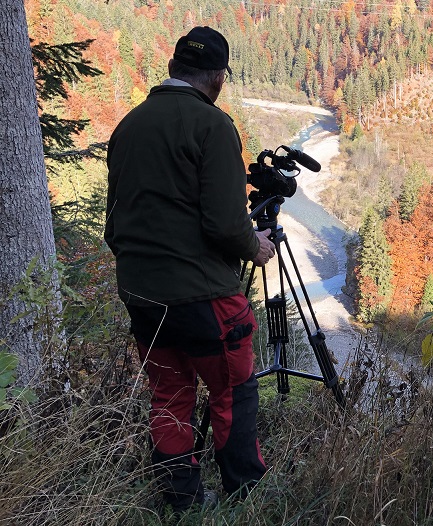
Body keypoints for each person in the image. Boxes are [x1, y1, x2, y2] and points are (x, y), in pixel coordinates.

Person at [104, 26, 275, 512]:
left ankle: (182, 503)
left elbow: (114, 226)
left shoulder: (128, 125)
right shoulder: (213, 126)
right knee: (232, 394)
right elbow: (226, 224)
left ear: (176, 68)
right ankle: (247, 498)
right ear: (217, 77)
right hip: (205, 299)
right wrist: (255, 246)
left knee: (169, 397)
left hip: (142, 298)